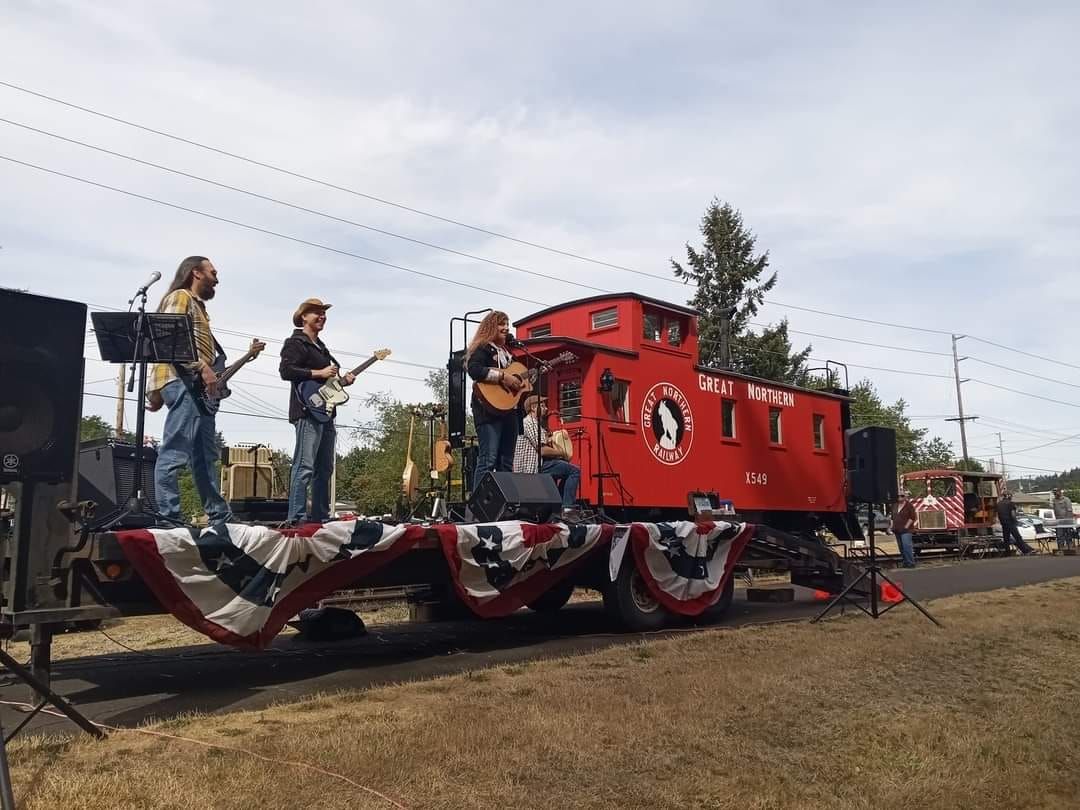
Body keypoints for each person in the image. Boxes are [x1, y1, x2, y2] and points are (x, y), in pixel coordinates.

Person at [146, 256, 232, 525]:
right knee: (174, 452)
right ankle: (168, 518)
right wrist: (201, 367)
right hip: (184, 380)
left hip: (193, 387)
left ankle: (219, 515)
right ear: (196, 273)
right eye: (213, 272)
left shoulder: (200, 308)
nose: (217, 278)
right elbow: (168, 339)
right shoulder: (181, 296)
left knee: (205, 457)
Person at [279, 298, 355, 525]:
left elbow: (328, 385)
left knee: (325, 468)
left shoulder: (323, 348)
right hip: (306, 410)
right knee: (304, 465)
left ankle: (321, 515)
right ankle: (297, 517)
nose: (322, 317)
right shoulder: (296, 342)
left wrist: (343, 382)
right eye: (317, 313)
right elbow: (286, 370)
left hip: (326, 412)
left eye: (324, 313)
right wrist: (319, 373)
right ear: (304, 316)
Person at [466, 310, 522, 491]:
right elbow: (474, 370)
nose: (506, 328)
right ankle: (478, 506)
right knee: (488, 458)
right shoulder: (483, 348)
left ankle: (506, 504)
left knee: (506, 460)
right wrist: (502, 377)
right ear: (491, 326)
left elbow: (517, 380)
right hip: (487, 411)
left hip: (508, 411)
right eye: (501, 324)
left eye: (507, 324)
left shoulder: (508, 353)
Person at [513, 395, 581, 516]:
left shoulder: (533, 424)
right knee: (574, 471)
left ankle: (558, 507)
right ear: (534, 408)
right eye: (543, 405)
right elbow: (542, 450)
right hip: (532, 467)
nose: (546, 408)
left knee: (565, 469)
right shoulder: (530, 423)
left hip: (538, 464)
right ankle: (567, 508)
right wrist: (562, 452)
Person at [996, 492, 1034, 556]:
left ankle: (1007, 553)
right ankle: (1026, 551)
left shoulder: (999, 504)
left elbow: (997, 514)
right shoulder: (1011, 503)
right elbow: (1013, 514)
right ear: (1009, 496)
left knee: (1006, 539)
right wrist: (1015, 521)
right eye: (1011, 496)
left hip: (1003, 523)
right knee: (1018, 537)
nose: (1011, 498)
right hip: (1010, 523)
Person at [891, 490, 917, 568]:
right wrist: (891, 526)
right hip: (897, 529)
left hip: (906, 530)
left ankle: (911, 563)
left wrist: (906, 526)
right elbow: (892, 517)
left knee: (906, 546)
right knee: (901, 547)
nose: (900, 497)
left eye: (902, 496)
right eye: (898, 496)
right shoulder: (894, 506)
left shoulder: (909, 506)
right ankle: (905, 562)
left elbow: (912, 517)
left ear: (905, 497)